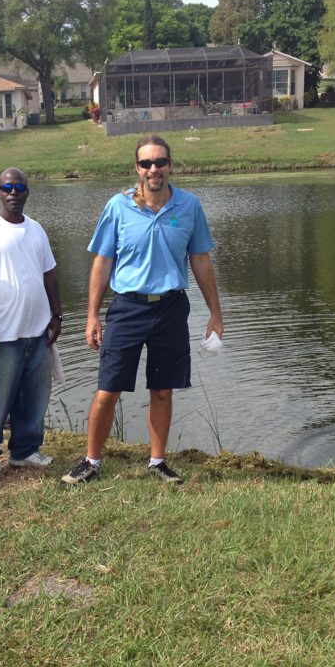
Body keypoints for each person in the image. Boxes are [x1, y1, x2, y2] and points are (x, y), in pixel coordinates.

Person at [62, 135, 224, 485]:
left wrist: (215, 312)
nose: (154, 169)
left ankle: (157, 462)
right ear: (137, 168)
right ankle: (91, 461)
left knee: (162, 389)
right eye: (146, 163)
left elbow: (200, 259)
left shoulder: (189, 206)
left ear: (170, 165)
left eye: (160, 162)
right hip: (127, 308)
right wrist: (91, 314)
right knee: (108, 389)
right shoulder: (118, 207)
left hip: (170, 308)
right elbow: (102, 261)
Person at [0, 167, 62, 474]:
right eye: (8, 187)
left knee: (35, 394)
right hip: (2, 333)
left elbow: (50, 275)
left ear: (28, 192)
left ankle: (25, 449)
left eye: (19, 187)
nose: (14, 193)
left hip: (39, 330)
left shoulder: (36, 230)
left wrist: (57, 315)